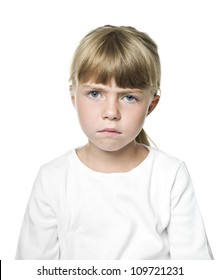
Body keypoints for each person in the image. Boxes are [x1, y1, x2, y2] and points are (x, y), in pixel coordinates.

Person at [15, 25, 213, 260]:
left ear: (151, 105)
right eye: (95, 94)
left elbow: (195, 268)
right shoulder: (53, 178)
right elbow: (32, 269)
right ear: (73, 97)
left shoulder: (170, 175)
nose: (111, 112)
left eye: (129, 97)